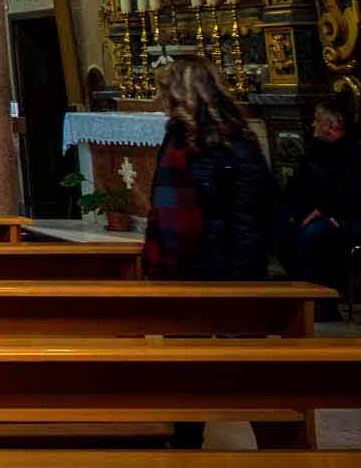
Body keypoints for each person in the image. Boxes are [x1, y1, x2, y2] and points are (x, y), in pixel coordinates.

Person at [143, 58, 275, 282]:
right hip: (175, 259)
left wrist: (243, 281)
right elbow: (160, 204)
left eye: (165, 92)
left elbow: (250, 218)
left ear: (183, 94)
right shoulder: (175, 137)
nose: (160, 99)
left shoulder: (235, 142)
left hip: (219, 262)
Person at [279, 98, 361, 293]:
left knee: (312, 234)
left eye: (317, 120)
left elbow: (351, 191)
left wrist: (326, 210)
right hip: (318, 212)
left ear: (331, 125)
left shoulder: (355, 149)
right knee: (282, 230)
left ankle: (320, 298)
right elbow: (299, 185)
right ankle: (299, 294)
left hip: (347, 216)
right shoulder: (316, 148)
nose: (313, 123)